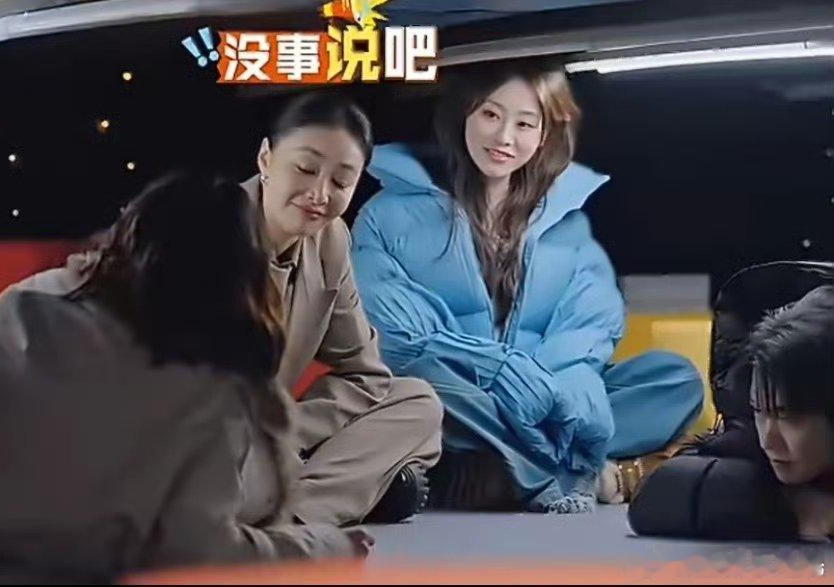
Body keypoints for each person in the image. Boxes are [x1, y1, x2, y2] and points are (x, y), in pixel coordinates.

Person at [0, 172, 368, 580]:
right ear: (243, 273)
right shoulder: (210, 394)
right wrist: (324, 547)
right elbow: (196, 552)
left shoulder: (36, 303)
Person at [350, 60, 704, 513]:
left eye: (524, 123)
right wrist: (502, 370)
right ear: (462, 115)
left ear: (545, 134)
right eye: (490, 115)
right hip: (460, 398)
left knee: (674, 378)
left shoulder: (566, 221)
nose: (504, 138)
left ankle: (500, 469)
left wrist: (556, 387)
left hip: (545, 400)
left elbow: (591, 324)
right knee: (424, 385)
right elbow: (399, 336)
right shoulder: (388, 214)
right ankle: (564, 472)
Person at [241, 91, 443, 526]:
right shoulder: (204, 225)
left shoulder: (330, 241)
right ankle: (350, 490)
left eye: (340, 181)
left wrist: (289, 430)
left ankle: (294, 517)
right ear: (265, 158)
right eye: (305, 168)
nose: (320, 193)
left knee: (416, 402)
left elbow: (365, 375)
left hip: (269, 440)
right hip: (192, 445)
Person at [630, 285, 834, 542]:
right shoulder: (749, 437)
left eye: (788, 416)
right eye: (759, 411)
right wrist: (791, 508)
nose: (769, 441)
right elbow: (658, 496)